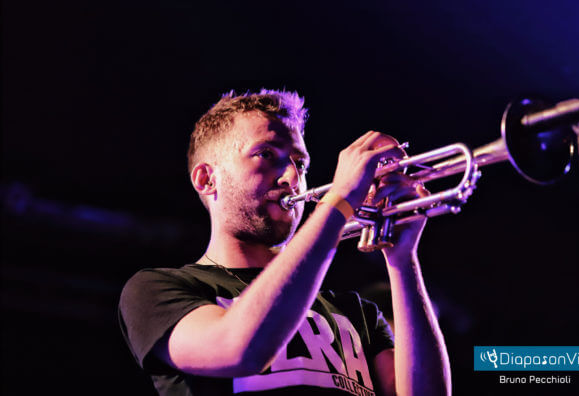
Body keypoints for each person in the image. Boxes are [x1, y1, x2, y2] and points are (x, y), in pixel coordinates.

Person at [118, 89, 451, 396]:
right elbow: (240, 349)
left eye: (300, 163)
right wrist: (338, 201)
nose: (293, 178)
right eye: (266, 154)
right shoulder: (157, 290)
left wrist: (403, 259)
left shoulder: (357, 313)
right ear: (207, 179)